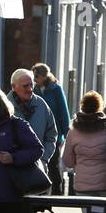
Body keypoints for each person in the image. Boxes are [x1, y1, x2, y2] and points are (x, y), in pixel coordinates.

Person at [8, 68, 58, 194]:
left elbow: (51, 135)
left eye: (32, 85)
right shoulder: (5, 107)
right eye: (25, 86)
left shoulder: (41, 105)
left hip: (38, 170)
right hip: (13, 172)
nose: (30, 89)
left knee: (35, 209)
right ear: (13, 86)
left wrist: (44, 158)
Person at [62, 91, 106, 196]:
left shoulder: (73, 131)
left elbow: (68, 161)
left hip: (82, 186)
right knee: (102, 211)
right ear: (100, 106)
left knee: (87, 212)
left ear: (82, 106)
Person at [33, 63, 70, 194]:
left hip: (55, 134)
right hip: (38, 133)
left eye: (37, 76)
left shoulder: (56, 89)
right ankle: (41, 192)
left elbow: (63, 112)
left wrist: (67, 134)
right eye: (34, 76)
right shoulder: (34, 91)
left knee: (53, 164)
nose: (34, 79)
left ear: (44, 76)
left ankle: (56, 193)